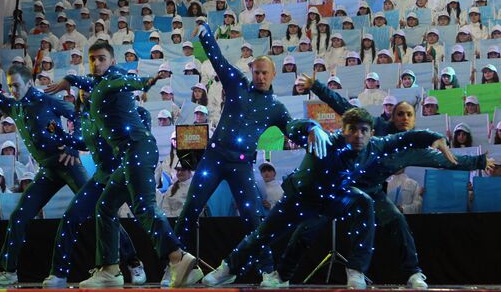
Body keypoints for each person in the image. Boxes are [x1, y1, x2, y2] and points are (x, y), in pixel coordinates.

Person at [203, 107, 481, 289]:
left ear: (371, 133)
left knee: (364, 202)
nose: (358, 136)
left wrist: (434, 137)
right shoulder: (325, 139)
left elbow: (408, 138)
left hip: (337, 197)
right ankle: (230, 268)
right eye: (352, 129)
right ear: (343, 129)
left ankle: (356, 270)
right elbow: (297, 126)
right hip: (302, 198)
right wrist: (311, 126)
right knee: (263, 235)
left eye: (364, 130)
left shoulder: (376, 145)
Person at [175, 23, 325, 285]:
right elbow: (218, 61)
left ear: (274, 74)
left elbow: (292, 130)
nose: (260, 77)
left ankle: (267, 270)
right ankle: (176, 265)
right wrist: (207, 34)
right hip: (214, 158)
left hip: (241, 165)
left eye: (265, 73)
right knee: (190, 209)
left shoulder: (276, 107)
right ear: (251, 71)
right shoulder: (237, 85)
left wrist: (312, 128)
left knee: (255, 219)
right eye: (257, 72)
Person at [46, 40, 197, 288]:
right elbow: (86, 137)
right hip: (123, 160)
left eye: (102, 58)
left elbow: (123, 82)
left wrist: (146, 81)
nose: (96, 63)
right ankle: (110, 270)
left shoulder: (114, 79)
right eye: (92, 58)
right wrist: (62, 134)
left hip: (136, 152)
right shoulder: (94, 98)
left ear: (112, 61)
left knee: (144, 208)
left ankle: (178, 258)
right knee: (104, 208)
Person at [0, 44, 88, 286]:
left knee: (98, 208)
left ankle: (130, 261)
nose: (12, 90)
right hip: (48, 169)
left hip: (66, 162)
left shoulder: (47, 100)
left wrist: (72, 145)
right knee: (18, 216)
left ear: (28, 83)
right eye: (10, 86)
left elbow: (78, 117)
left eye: (16, 85)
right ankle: (8, 270)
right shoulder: (14, 106)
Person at [41, 88, 148, 288]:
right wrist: (60, 134)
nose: (84, 93)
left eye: (88, 89)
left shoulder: (114, 108)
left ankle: (173, 263)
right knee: (71, 217)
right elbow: (82, 142)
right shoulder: (84, 117)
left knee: (148, 217)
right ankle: (58, 274)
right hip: (101, 177)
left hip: (125, 174)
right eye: (81, 91)